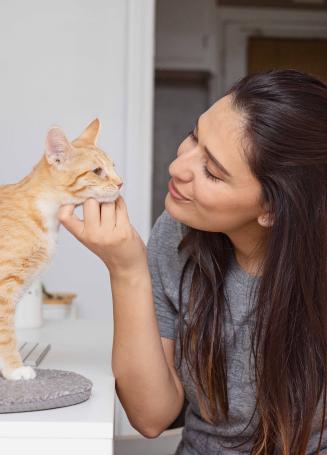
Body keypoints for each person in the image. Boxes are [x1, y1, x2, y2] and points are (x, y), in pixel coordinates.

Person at [57, 69, 327, 454]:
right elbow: (151, 417)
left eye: (212, 172)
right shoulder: (177, 234)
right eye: (194, 137)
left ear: (271, 208)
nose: (178, 167)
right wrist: (126, 269)